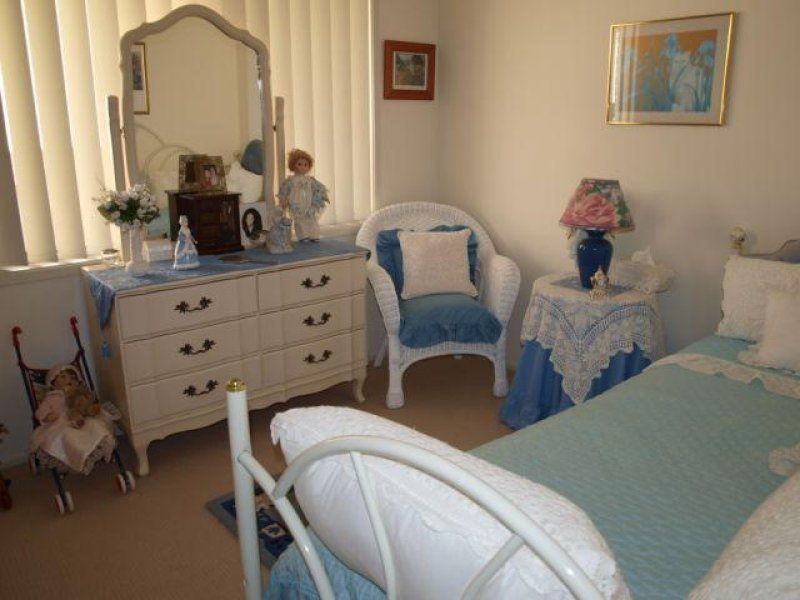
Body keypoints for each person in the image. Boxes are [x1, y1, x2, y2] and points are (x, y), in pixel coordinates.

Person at [29, 365, 115, 474]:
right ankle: (81, 458)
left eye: (71, 377)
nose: (68, 380)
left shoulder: (76, 394)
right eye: (63, 377)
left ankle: (102, 447)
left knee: (94, 424)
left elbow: (84, 405)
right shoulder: (51, 398)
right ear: (53, 383)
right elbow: (39, 413)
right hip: (60, 424)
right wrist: (47, 416)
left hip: (79, 419)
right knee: (67, 435)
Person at [277, 149, 329, 241]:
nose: (303, 167)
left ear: (309, 166)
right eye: (299, 164)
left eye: (305, 165)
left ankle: (313, 235)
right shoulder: (291, 180)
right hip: (296, 203)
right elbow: (284, 190)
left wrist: (320, 197)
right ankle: (303, 235)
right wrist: (283, 200)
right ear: (293, 165)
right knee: (299, 220)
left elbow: (318, 189)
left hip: (308, 203)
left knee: (311, 219)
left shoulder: (310, 180)